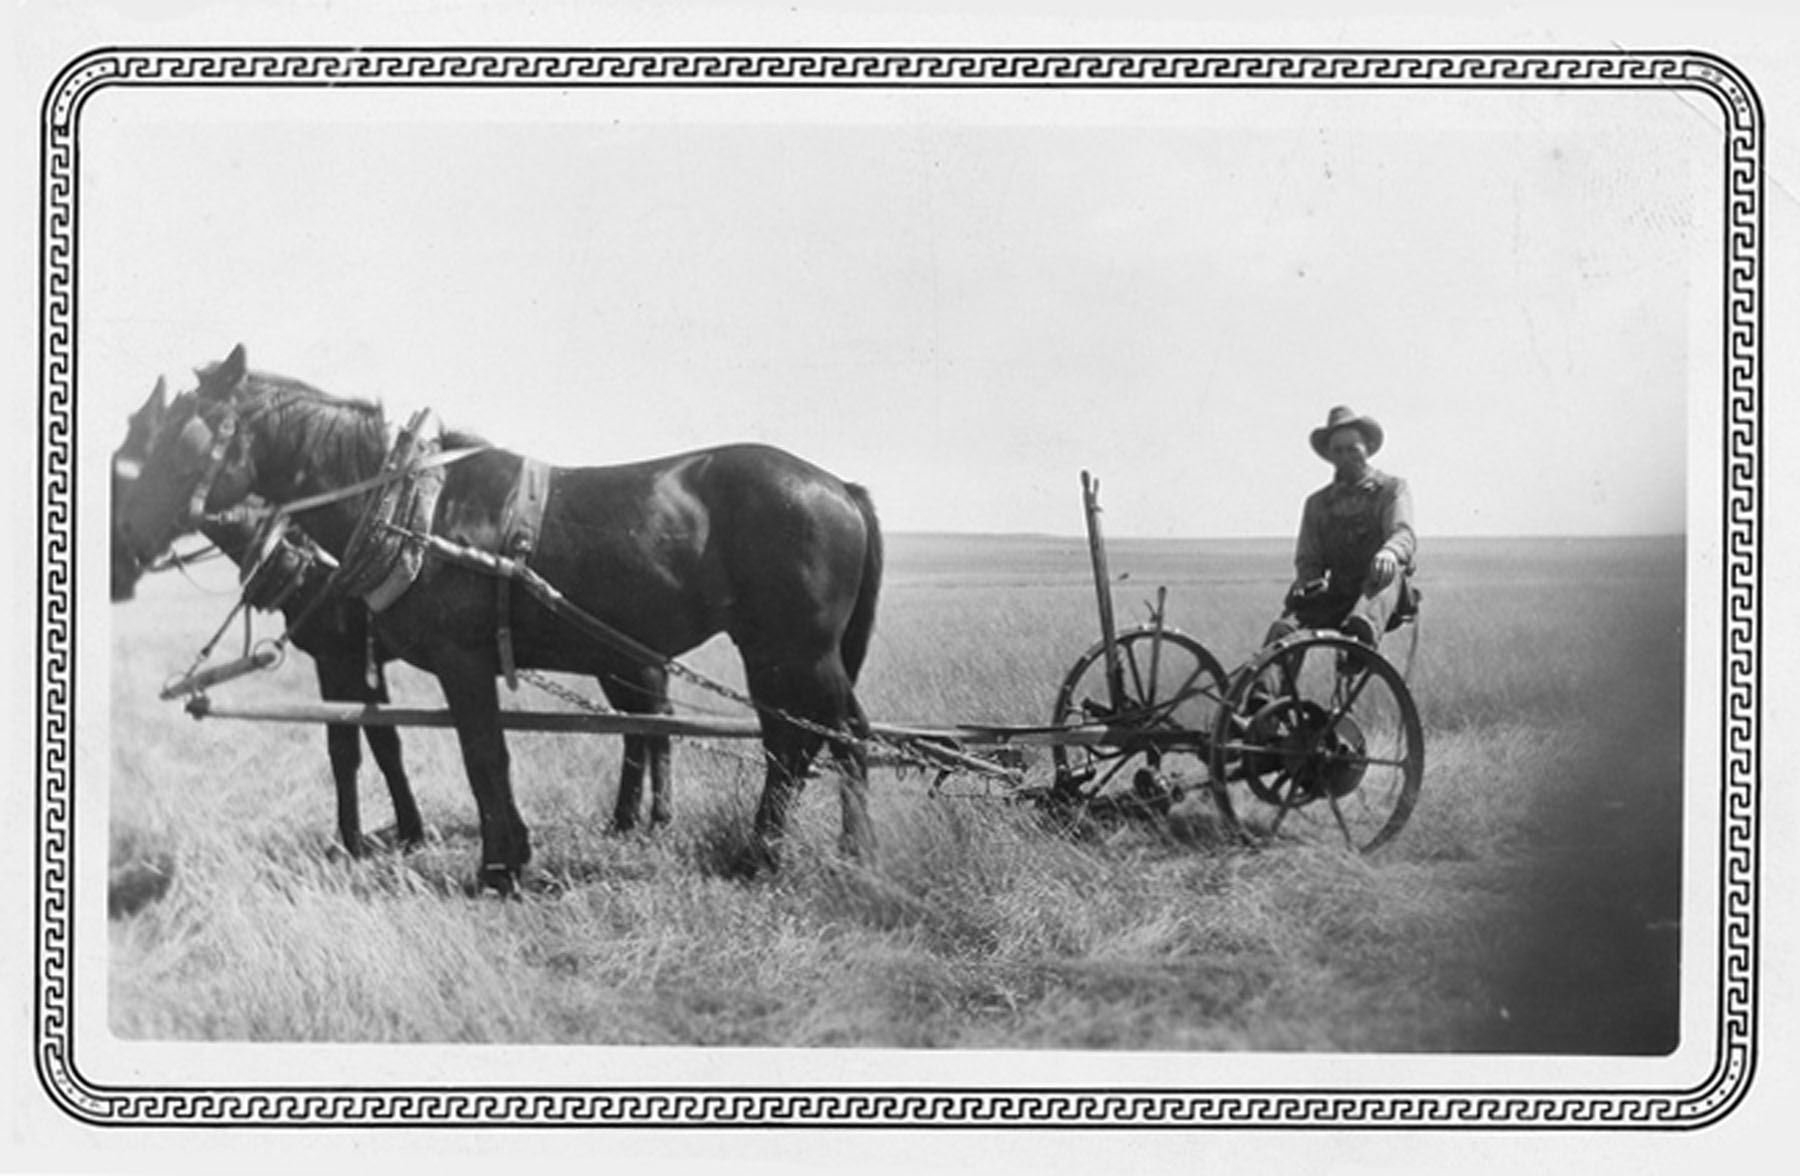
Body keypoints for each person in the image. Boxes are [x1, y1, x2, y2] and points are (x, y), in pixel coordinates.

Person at [1264, 405, 1416, 650]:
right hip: (1337, 596)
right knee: (1283, 631)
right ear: (1330, 455)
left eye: (1353, 449)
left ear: (1367, 447)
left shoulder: (1391, 490)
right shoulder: (1318, 504)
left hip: (1377, 595)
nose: (1346, 457)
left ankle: (1361, 636)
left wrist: (1390, 552)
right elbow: (1308, 559)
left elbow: (1403, 533)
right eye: (1339, 451)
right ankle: (1264, 687)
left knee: (1390, 569)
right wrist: (1309, 582)